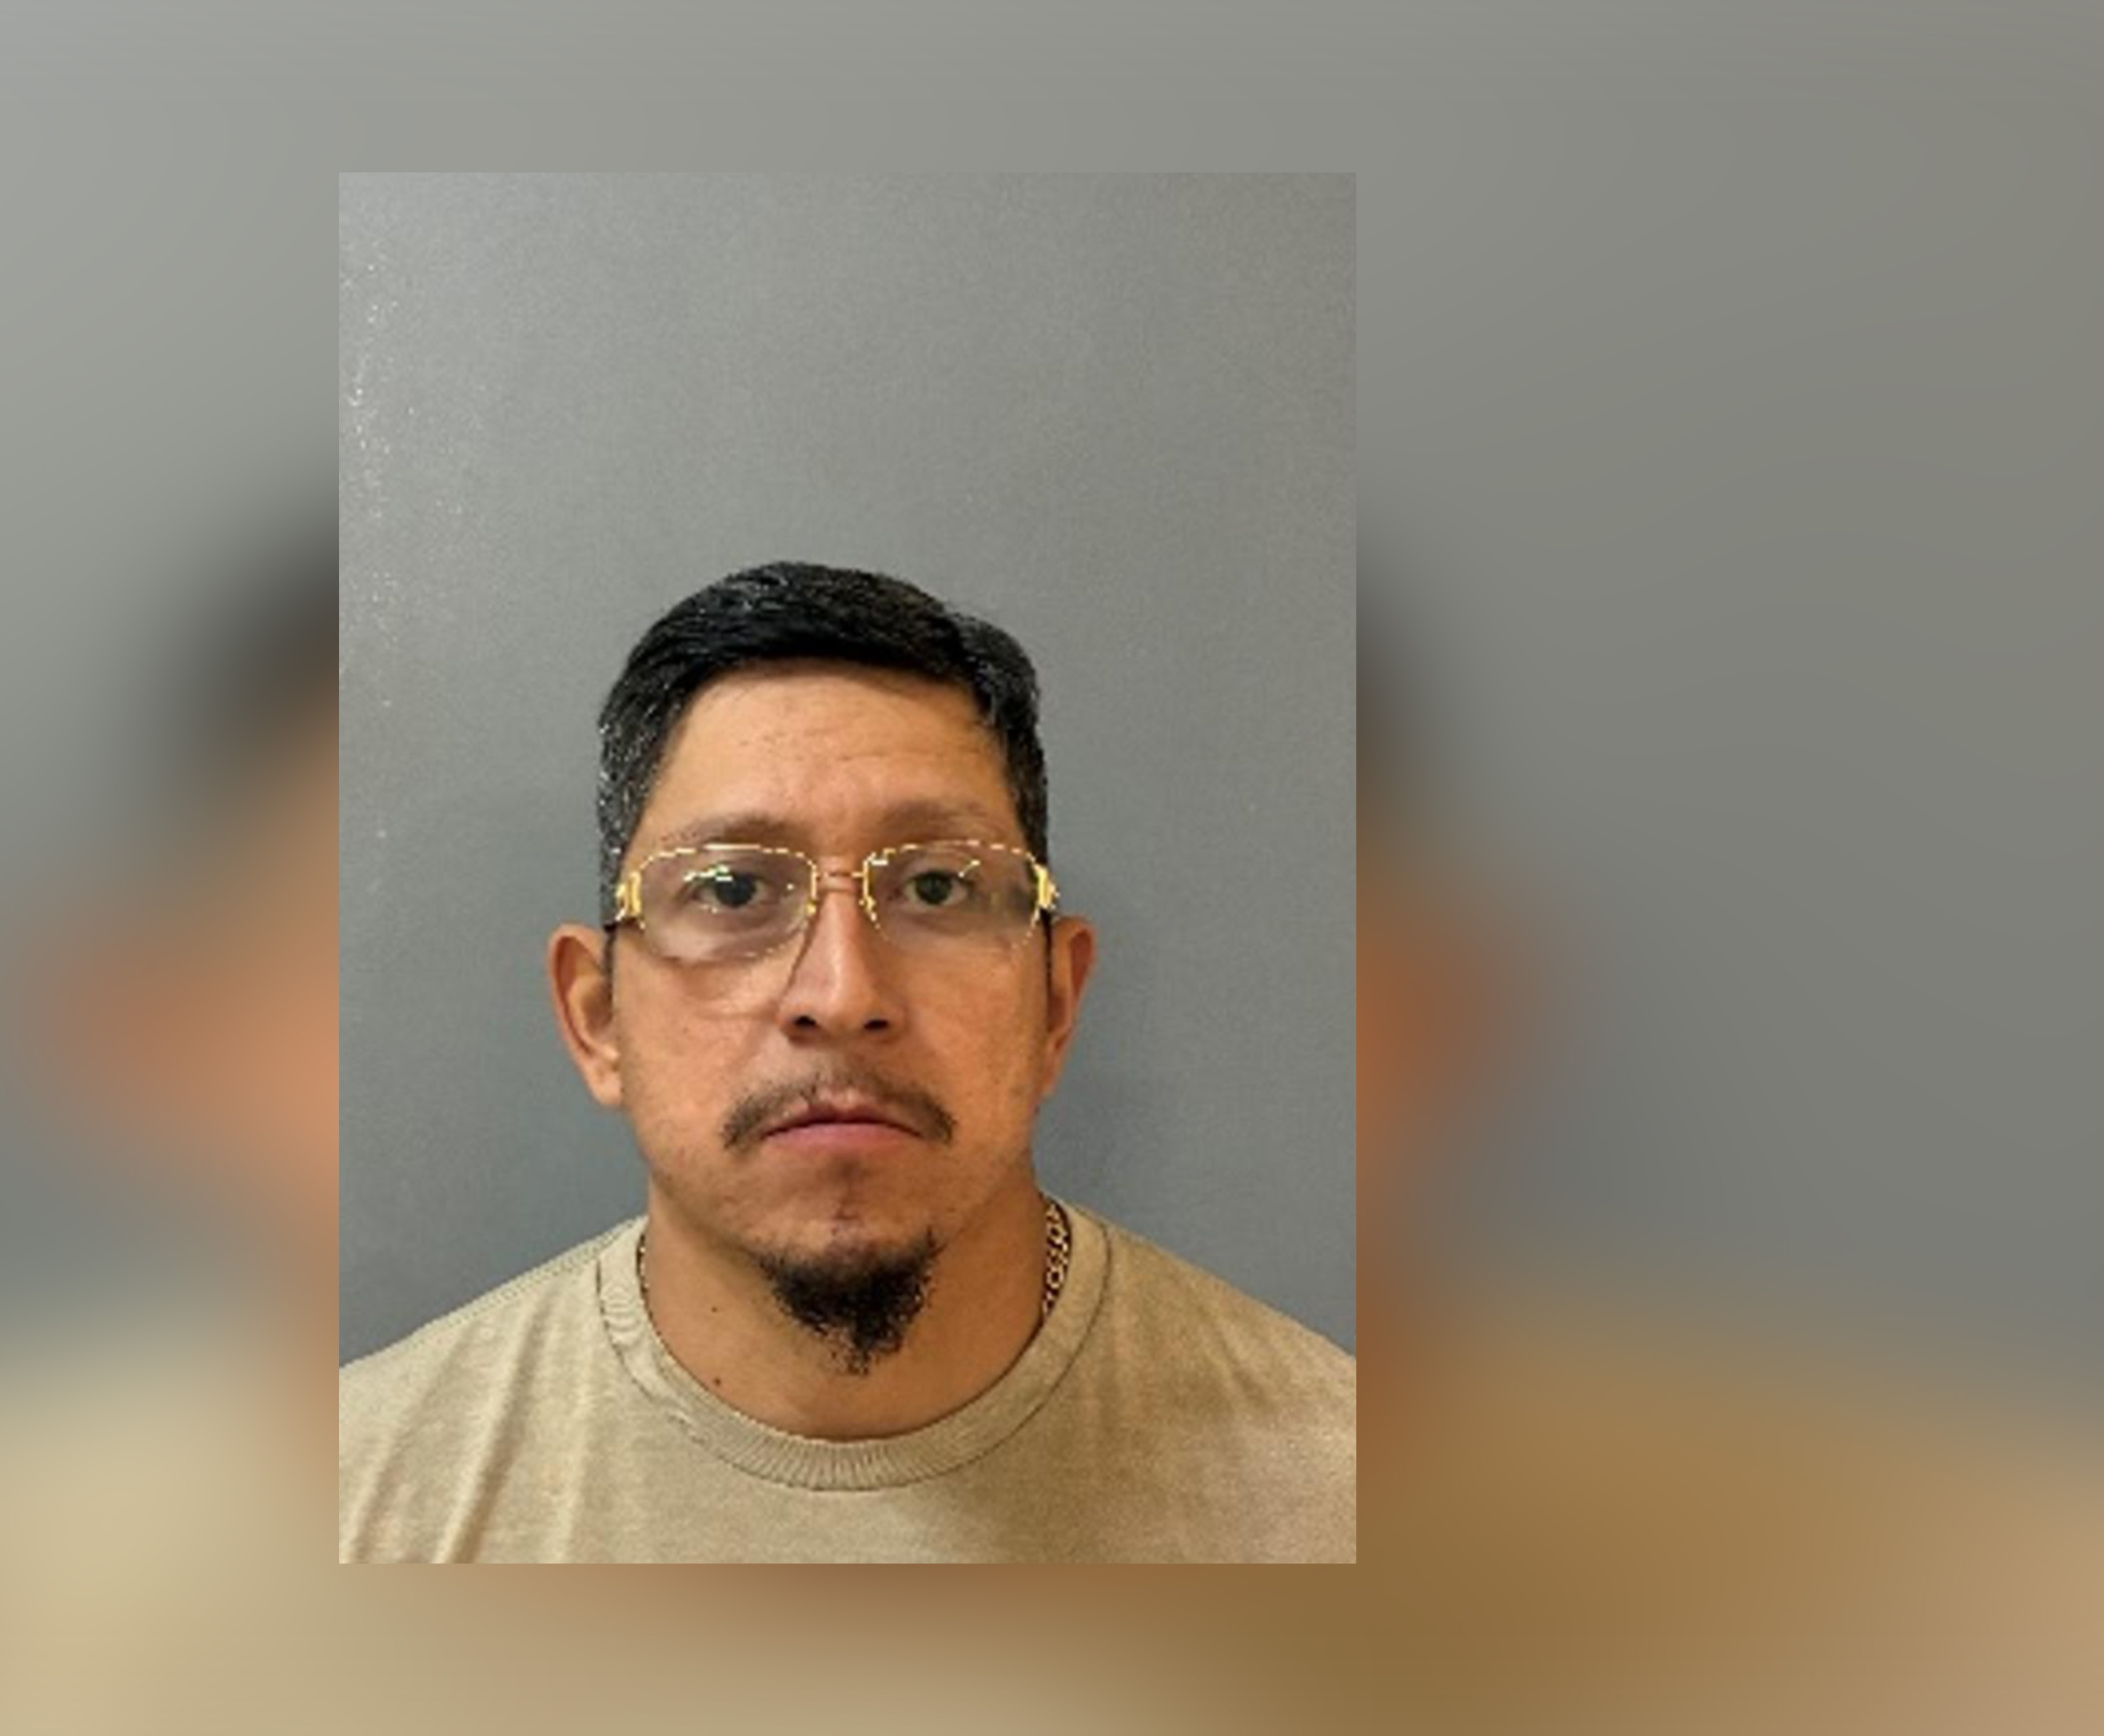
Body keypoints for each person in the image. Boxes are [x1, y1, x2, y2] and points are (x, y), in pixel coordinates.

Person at [338, 562, 1356, 1562]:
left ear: (1055, 1002)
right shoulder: (357, 1504)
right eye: (733, 891)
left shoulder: (1343, 1494)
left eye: (938, 888)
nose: (841, 994)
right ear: (599, 1019)